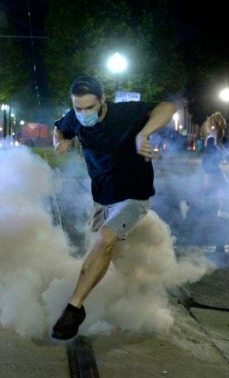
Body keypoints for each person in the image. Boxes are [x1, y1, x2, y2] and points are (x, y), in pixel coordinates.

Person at [50, 75, 176, 341]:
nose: (83, 114)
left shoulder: (125, 113)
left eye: (89, 108)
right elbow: (60, 129)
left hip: (133, 195)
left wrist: (144, 132)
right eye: (78, 108)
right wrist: (60, 141)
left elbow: (168, 108)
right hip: (102, 197)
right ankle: (129, 294)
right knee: (106, 251)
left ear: (102, 101)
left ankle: (74, 308)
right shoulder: (74, 118)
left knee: (105, 240)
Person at [180, 112, 229, 220]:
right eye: (222, 119)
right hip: (211, 163)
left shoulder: (210, 131)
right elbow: (217, 144)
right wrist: (225, 153)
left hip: (208, 162)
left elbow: (208, 145)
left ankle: (221, 210)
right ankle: (187, 204)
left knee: (219, 186)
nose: (223, 121)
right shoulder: (219, 131)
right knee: (212, 188)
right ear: (219, 121)